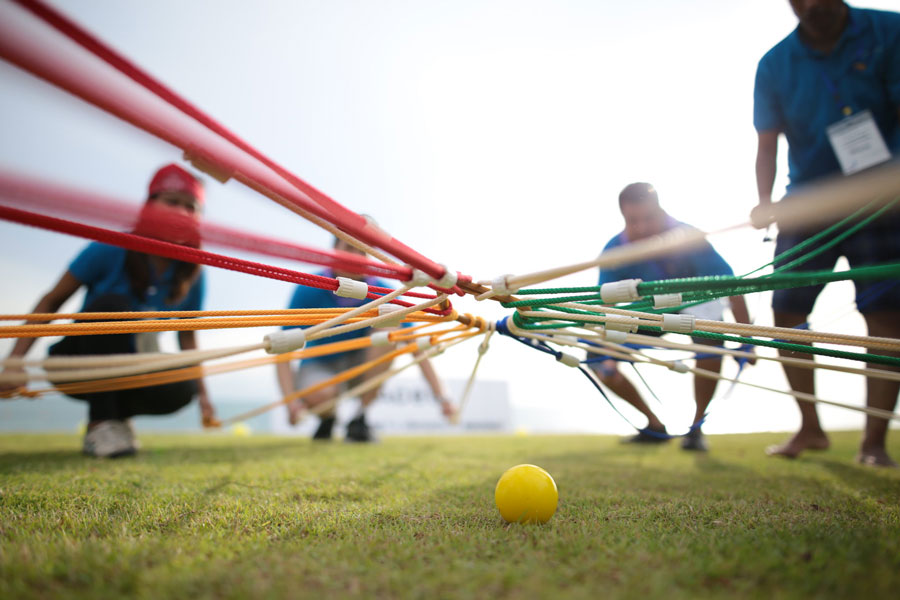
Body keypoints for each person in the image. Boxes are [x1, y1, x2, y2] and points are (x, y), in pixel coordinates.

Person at [752, 0, 900, 466]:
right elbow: (767, 142)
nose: (813, 4)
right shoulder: (774, 63)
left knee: (887, 319)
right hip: (809, 202)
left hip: (884, 197)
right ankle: (810, 428)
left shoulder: (889, 31)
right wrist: (765, 199)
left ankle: (873, 441)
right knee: (786, 314)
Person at [0, 164, 216, 458]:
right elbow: (52, 301)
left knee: (182, 387)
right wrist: (15, 361)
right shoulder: (110, 248)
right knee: (113, 307)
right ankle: (100, 424)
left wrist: (203, 396)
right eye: (171, 201)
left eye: (190, 206)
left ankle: (116, 419)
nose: (180, 212)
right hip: (76, 363)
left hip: (135, 366)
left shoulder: (193, 273)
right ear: (149, 206)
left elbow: (187, 338)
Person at [592, 182, 753, 451]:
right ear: (623, 217)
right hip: (645, 316)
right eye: (633, 221)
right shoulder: (614, 252)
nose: (642, 228)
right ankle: (654, 426)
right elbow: (603, 310)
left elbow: (729, 284)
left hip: (691, 310)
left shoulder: (688, 237)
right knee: (594, 354)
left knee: (709, 336)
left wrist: (747, 337)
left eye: (649, 218)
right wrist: (608, 352)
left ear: (661, 210)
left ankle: (696, 428)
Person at [275, 237, 455, 442]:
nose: (356, 256)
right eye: (349, 247)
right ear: (334, 250)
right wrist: (290, 403)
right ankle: (328, 418)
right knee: (320, 395)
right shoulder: (308, 287)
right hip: (320, 363)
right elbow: (284, 349)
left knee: (390, 326)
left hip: (362, 366)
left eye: (363, 250)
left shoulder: (385, 292)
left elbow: (417, 349)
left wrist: (443, 397)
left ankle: (359, 418)